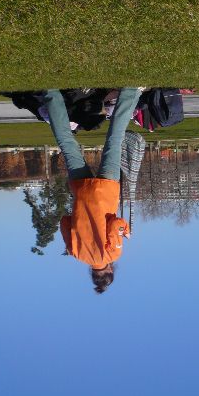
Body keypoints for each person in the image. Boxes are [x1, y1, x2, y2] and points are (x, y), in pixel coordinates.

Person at [45, 87, 144, 294]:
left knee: (114, 140)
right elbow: (64, 221)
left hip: (106, 190)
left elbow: (116, 224)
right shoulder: (75, 253)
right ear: (92, 272)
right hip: (81, 191)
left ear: (109, 270)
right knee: (66, 143)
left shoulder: (112, 255)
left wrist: (125, 231)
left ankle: (131, 91)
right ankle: (51, 94)